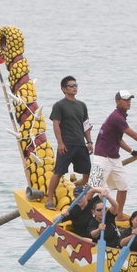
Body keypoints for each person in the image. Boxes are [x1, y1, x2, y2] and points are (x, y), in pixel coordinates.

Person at [92, 90, 137, 222]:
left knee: (123, 186)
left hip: (113, 157)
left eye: (130, 99)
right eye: (125, 99)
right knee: (95, 188)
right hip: (101, 156)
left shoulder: (121, 116)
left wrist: (131, 151)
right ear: (117, 102)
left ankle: (118, 214)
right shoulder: (117, 117)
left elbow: (117, 138)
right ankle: (91, 215)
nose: (129, 102)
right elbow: (133, 135)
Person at [45, 75, 94, 210]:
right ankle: (49, 199)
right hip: (67, 144)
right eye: (71, 86)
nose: (74, 88)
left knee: (87, 172)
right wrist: (60, 143)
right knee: (59, 172)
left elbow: (86, 125)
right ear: (64, 89)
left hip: (80, 143)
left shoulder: (82, 105)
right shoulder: (59, 105)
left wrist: (89, 141)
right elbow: (56, 124)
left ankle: (81, 197)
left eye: (76, 85)